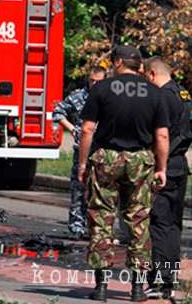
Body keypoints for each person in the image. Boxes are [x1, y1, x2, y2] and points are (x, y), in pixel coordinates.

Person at [78, 45, 170, 302]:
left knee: (102, 219)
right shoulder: (155, 93)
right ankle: (138, 288)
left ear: (118, 62)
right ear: (138, 65)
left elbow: (87, 129)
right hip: (141, 160)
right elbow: (161, 135)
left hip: (106, 158)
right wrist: (161, 168)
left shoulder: (102, 89)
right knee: (139, 223)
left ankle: (101, 287)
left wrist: (83, 165)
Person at [143, 57, 192, 300]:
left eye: (145, 77)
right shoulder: (184, 94)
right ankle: (170, 278)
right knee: (173, 224)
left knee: (159, 224)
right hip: (180, 165)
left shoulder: (162, 96)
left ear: (152, 74)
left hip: (164, 164)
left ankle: (159, 281)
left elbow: (161, 135)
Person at [52, 67, 106, 239]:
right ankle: (77, 226)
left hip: (102, 150)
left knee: (101, 191)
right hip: (82, 148)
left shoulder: (110, 97)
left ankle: (98, 228)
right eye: (92, 80)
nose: (95, 84)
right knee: (79, 189)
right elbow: (58, 112)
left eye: (99, 81)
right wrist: (73, 129)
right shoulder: (78, 96)